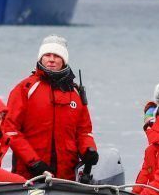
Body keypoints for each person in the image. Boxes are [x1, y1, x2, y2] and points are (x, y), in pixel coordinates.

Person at [5, 35, 98, 180]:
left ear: (64, 60)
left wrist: (89, 150)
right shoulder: (25, 88)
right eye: (47, 55)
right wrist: (34, 162)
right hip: (30, 175)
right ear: (41, 58)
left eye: (57, 56)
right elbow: (10, 130)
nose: (52, 59)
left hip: (66, 177)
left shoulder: (75, 93)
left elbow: (84, 131)